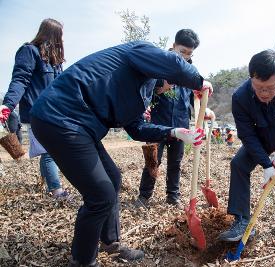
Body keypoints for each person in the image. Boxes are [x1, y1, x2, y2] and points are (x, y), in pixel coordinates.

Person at [1, 40, 213, 266]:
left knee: (113, 178)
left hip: (82, 126)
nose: (168, 89)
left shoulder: (144, 90)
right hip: (60, 117)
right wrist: (199, 82)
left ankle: (110, 243)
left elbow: (136, 127)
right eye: (170, 84)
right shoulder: (141, 51)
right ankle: (83, 261)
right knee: (100, 196)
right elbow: (175, 63)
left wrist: (175, 132)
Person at [218, 49, 275, 243]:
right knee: (238, 164)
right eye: (258, 87)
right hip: (261, 138)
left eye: (270, 88)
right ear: (251, 78)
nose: (263, 93)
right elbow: (246, 134)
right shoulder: (241, 97)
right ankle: (242, 220)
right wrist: (266, 163)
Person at [134, 29, 204, 209]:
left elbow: (195, 98)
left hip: (181, 124)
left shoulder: (191, 71)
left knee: (176, 163)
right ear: (173, 47)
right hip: (157, 124)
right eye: (182, 52)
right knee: (152, 160)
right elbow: (147, 91)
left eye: (190, 54)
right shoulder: (159, 66)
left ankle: (173, 196)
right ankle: (144, 196)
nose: (186, 57)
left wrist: (204, 107)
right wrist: (160, 89)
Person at [0, 18, 69, 198]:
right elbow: (20, 80)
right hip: (38, 112)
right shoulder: (29, 52)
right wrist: (7, 106)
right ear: (52, 34)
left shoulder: (54, 60)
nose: (62, 39)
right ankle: (56, 191)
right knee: (49, 151)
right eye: (60, 35)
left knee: (50, 149)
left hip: (55, 112)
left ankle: (47, 185)